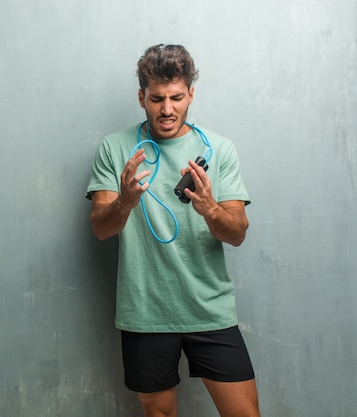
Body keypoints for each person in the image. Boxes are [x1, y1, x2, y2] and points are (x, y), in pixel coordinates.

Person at [85, 44, 261, 417]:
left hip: (209, 308)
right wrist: (124, 202)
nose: (167, 109)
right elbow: (100, 229)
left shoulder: (220, 150)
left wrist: (209, 208)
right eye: (157, 98)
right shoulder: (114, 148)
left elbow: (237, 233)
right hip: (146, 310)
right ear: (141, 97)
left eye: (177, 97)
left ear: (191, 94)